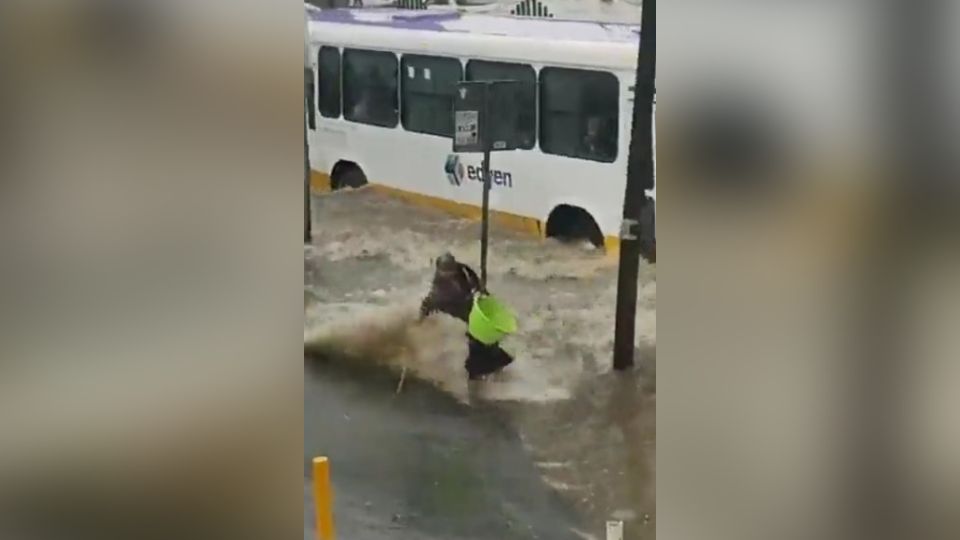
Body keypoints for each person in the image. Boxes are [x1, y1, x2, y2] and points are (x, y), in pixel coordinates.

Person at [419, 253, 515, 380]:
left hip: (471, 308)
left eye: (451, 271)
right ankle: (477, 374)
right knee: (474, 343)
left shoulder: (462, 270)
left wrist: (480, 290)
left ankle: (496, 366)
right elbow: (430, 302)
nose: (449, 274)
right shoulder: (438, 286)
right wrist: (421, 318)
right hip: (455, 309)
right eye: (446, 272)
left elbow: (475, 281)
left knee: (485, 339)